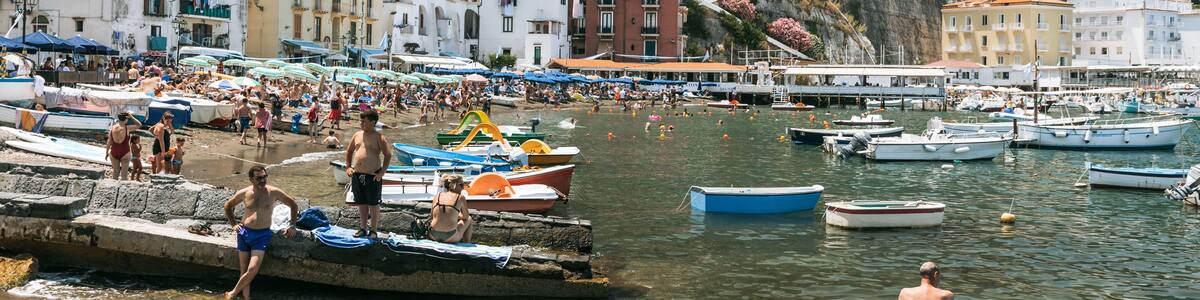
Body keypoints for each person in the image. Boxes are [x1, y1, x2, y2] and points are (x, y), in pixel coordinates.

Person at [222, 166, 298, 300]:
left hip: (262, 235)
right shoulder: (244, 193)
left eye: (264, 177)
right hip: (244, 233)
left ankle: (232, 294)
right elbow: (228, 206)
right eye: (259, 178)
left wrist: (292, 225)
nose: (263, 180)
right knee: (244, 270)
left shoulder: (274, 192)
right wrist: (233, 224)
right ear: (251, 179)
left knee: (252, 269)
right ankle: (246, 297)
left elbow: (293, 205)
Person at [344, 110, 391, 239]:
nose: (361, 123)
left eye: (364, 121)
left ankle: (374, 230)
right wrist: (348, 167)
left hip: (373, 175)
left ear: (373, 122)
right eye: (361, 121)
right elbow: (349, 152)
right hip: (357, 174)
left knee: (373, 204)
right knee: (361, 203)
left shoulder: (379, 137)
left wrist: (382, 172)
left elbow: (388, 155)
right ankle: (363, 228)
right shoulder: (357, 135)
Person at [428, 174, 473, 243]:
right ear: (454, 185)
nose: (463, 188)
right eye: (461, 185)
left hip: (433, 234)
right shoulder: (460, 197)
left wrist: (452, 214)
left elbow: (432, 216)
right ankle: (467, 243)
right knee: (469, 218)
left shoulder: (437, 195)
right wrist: (456, 215)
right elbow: (465, 217)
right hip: (450, 237)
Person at [105, 112, 142, 180]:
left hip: (114, 152)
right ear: (126, 119)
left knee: (116, 172)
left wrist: (106, 152)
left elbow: (109, 141)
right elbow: (139, 124)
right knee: (124, 173)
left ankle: (113, 189)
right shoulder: (127, 128)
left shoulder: (112, 128)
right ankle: (123, 189)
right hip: (125, 152)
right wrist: (131, 117)